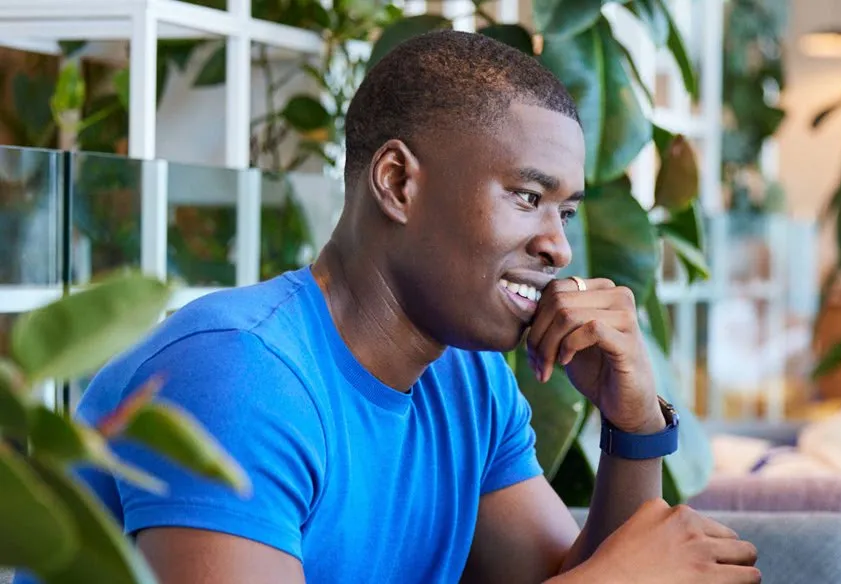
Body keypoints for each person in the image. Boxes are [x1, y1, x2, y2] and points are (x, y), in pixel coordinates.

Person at [17, 30, 761, 584]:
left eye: (563, 212)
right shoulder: (239, 375)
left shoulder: (469, 379)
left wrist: (632, 429)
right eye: (528, 198)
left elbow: (557, 575)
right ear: (399, 183)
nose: (558, 248)